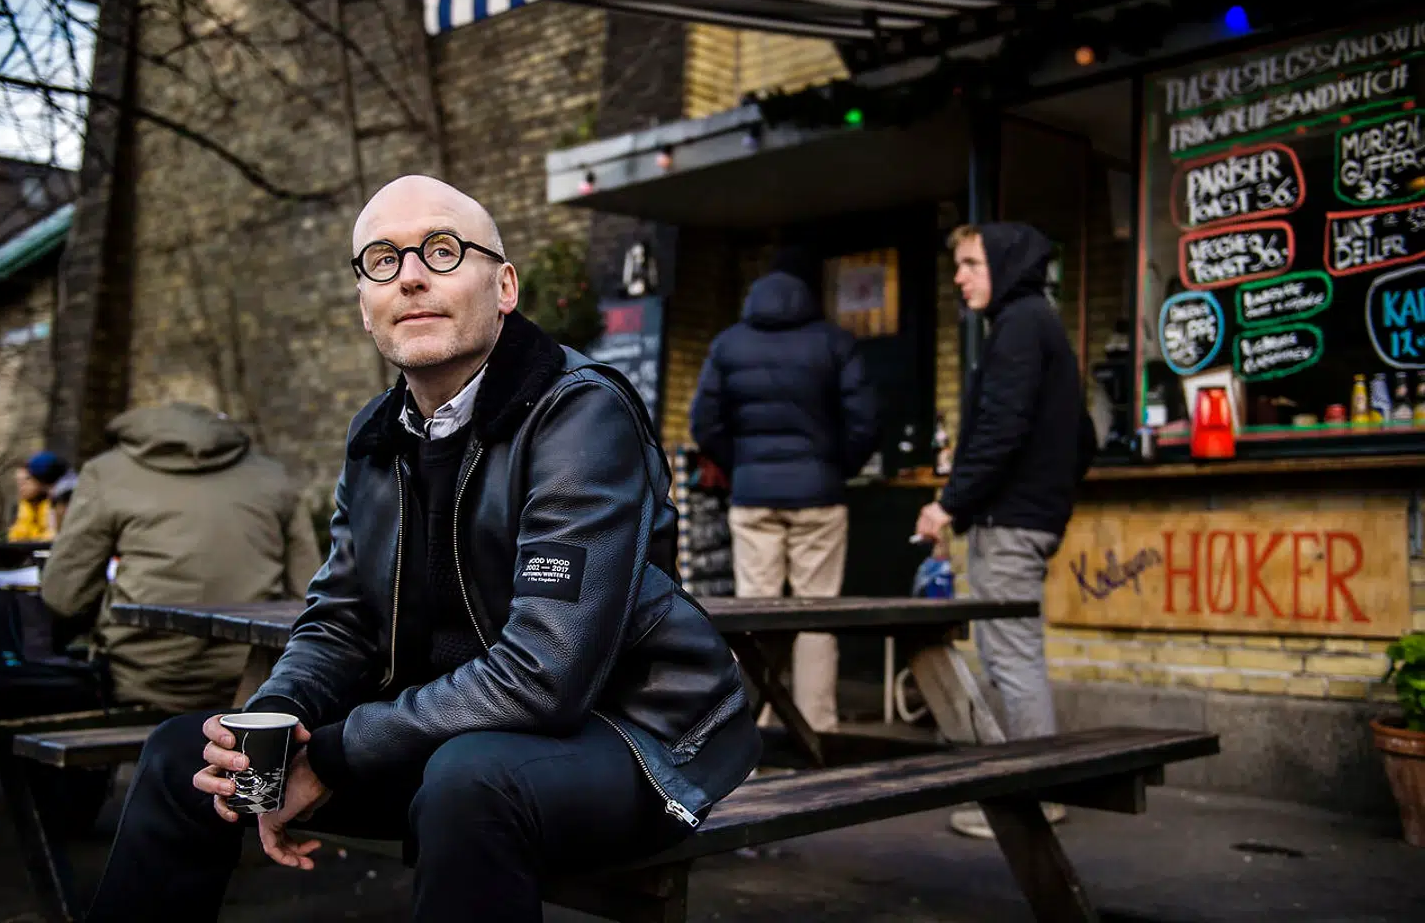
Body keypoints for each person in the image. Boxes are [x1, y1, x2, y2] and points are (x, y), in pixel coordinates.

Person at [84, 176, 761, 923]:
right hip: (450, 739)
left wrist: (334, 756)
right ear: (364, 306)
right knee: (191, 757)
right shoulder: (376, 435)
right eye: (381, 259)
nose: (409, 276)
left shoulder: (579, 413)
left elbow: (546, 674)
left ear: (503, 285)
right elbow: (340, 619)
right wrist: (274, 732)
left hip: (634, 736)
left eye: (441, 251)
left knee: (471, 781)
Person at [914, 222, 1097, 839]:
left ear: (1004, 263)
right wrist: (1052, 498)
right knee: (1011, 652)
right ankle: (1030, 789)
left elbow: (1000, 428)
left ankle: (1034, 799)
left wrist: (950, 505)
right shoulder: (1041, 325)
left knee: (1010, 658)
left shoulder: (1019, 326)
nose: (959, 277)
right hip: (1028, 518)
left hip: (1009, 522)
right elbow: (1085, 436)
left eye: (970, 263)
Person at [689, 244, 879, 733]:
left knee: (755, 616)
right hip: (820, 495)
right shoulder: (834, 342)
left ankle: (751, 736)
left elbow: (704, 423)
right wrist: (834, 467)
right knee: (817, 615)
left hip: (753, 497)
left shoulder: (729, 344)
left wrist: (742, 466)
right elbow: (866, 422)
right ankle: (817, 731)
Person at [40, 403, 322, 712]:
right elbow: (309, 592)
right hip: (253, 676)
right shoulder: (273, 476)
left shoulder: (106, 474)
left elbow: (65, 596)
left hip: (144, 674)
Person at [6, 450, 69, 542]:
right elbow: (14, 537)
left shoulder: (59, 504)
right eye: (18, 482)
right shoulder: (19, 509)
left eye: (27, 480)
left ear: (41, 479)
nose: (21, 487)